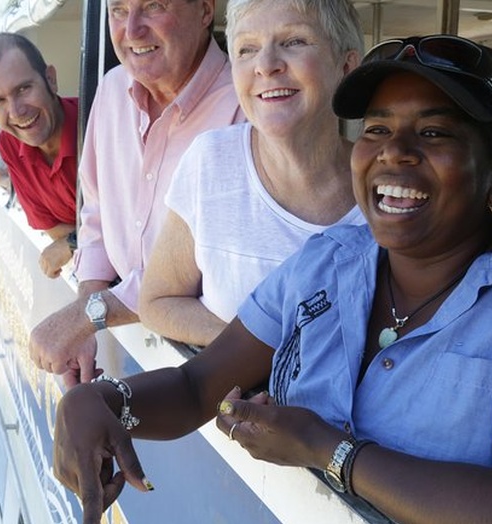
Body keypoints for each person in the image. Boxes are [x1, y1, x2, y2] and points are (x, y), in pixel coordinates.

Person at [52, 34, 492, 524]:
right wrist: (105, 401)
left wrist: (327, 449)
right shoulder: (333, 257)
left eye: (434, 133)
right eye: (378, 130)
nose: (395, 153)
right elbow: (195, 388)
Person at [28, 0, 245, 386]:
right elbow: (95, 212)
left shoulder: (245, 108)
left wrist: (90, 314)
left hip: (207, 372)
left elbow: (212, 267)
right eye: (118, 10)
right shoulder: (111, 89)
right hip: (133, 348)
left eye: (154, 6)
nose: (131, 30)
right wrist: (88, 308)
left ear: (206, 10)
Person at [138, 0, 365, 348]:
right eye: (247, 49)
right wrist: (264, 353)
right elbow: (157, 302)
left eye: (294, 42)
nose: (266, 65)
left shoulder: (387, 188)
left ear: (347, 67)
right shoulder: (210, 162)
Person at [0, 32, 79, 279]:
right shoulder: (9, 144)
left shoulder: (99, 124)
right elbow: (54, 231)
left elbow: (136, 226)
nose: (17, 112)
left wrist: (72, 242)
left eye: (23, 89)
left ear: (50, 79)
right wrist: (77, 239)